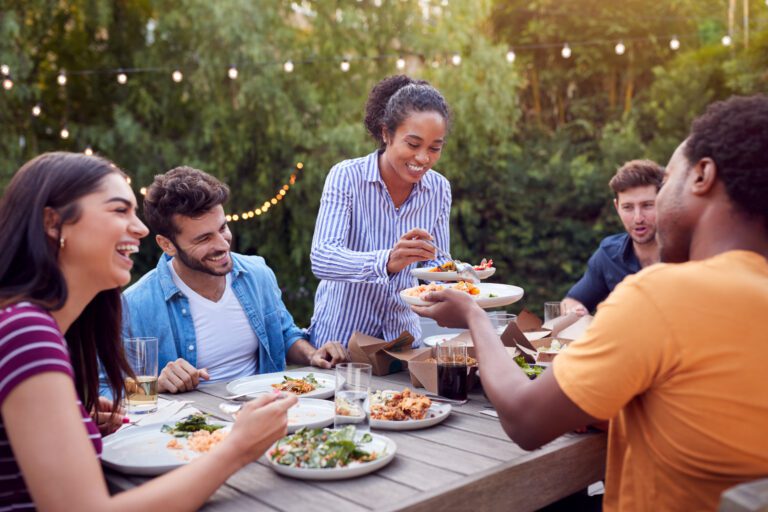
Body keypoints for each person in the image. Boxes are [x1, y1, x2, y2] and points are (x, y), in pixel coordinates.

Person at [413, 95, 768, 511]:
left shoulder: (663, 294)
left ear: (703, 175)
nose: (645, 213)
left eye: (668, 180)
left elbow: (525, 420)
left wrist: (474, 315)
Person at [0, 152, 297, 511]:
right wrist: (237, 447)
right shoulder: (26, 333)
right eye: (118, 210)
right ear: (53, 223)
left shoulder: (33, 326)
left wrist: (80, 419)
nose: (140, 228)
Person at [118, 166, 348, 395]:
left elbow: (284, 334)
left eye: (223, 228)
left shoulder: (257, 273)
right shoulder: (135, 305)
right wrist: (157, 383)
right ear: (167, 244)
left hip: (266, 410)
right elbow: (108, 389)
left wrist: (312, 355)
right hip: (195, 426)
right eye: (204, 238)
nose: (223, 244)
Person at [309, 74, 452, 347]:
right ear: (386, 133)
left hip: (402, 341)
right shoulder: (346, 177)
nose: (423, 158)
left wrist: (455, 278)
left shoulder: (439, 189)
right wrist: (386, 262)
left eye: (435, 148)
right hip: (340, 344)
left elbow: (436, 263)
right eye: (413, 144)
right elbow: (323, 258)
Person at [562, 159, 664, 315]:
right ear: (617, 207)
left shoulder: (689, 255)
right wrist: (574, 310)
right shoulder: (609, 254)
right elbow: (571, 301)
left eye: (647, 205)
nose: (638, 218)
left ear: (664, 202)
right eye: (628, 207)